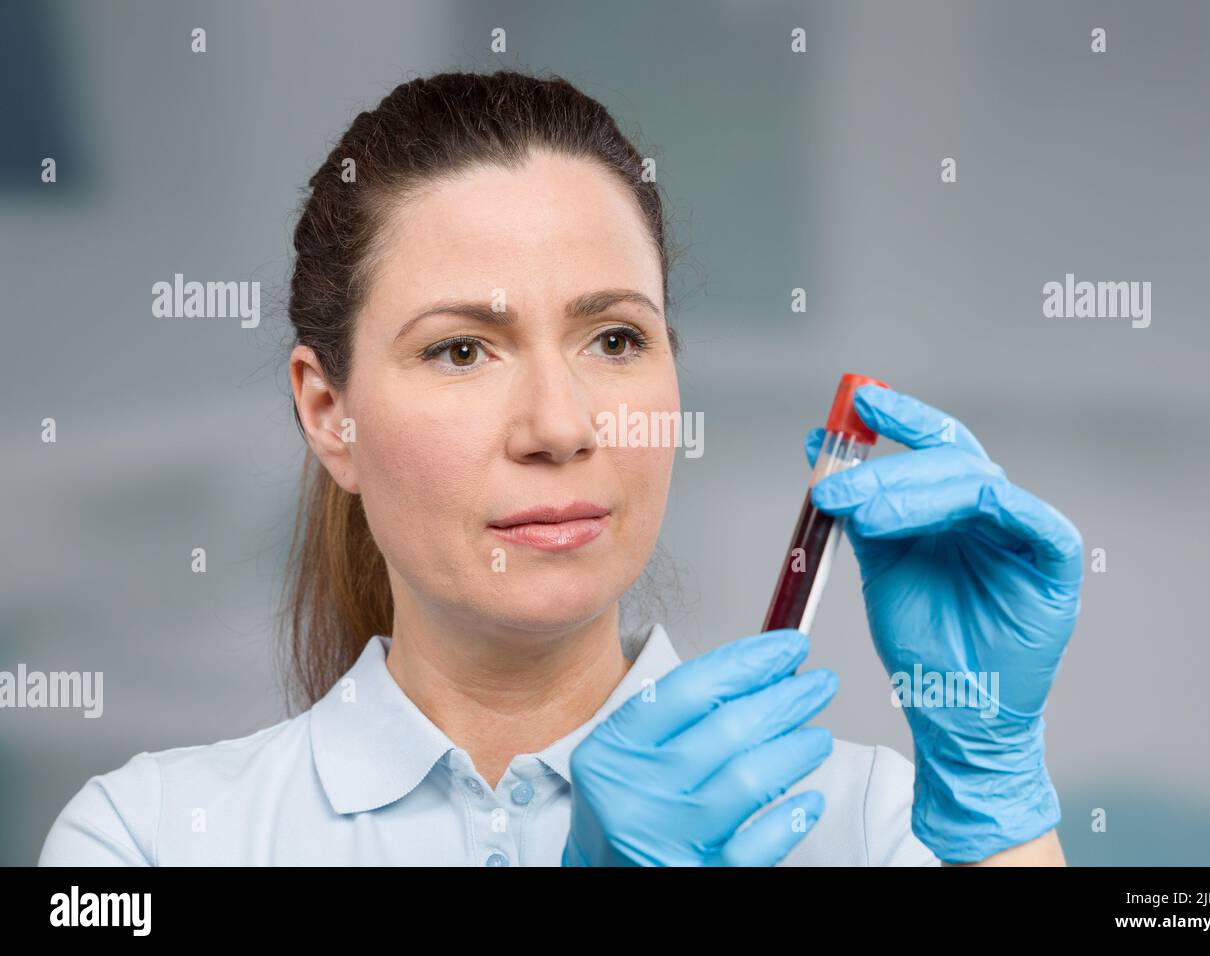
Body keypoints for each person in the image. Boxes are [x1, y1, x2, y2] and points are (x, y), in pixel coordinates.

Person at [38, 69, 1082, 867]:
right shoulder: (149, 837)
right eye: (461, 349)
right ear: (329, 412)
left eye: (614, 340)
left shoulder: (866, 825)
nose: (560, 425)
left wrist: (997, 805)